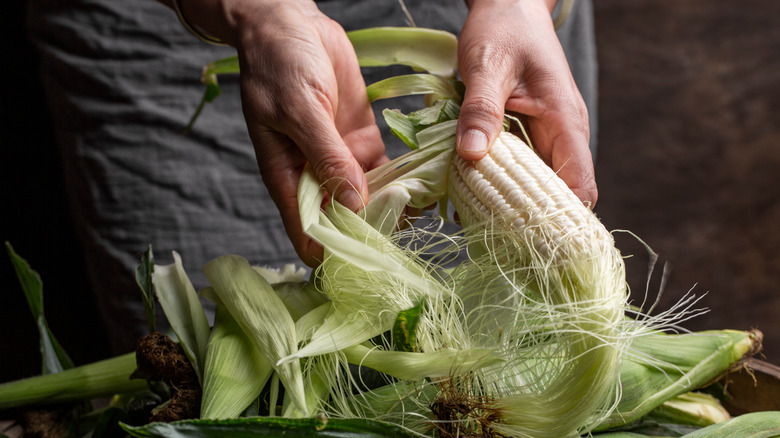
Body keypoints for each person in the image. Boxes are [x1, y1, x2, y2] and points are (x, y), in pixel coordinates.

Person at [26, 0, 597, 354]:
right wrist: (252, 10)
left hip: (478, 17)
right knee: (220, 351)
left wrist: (519, 5)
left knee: (497, 356)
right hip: (165, 35)